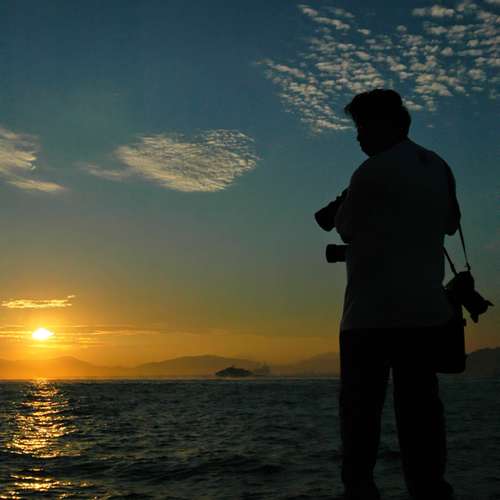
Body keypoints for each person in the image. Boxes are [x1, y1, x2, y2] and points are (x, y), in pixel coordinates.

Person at [332, 89, 460, 499]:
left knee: (360, 414)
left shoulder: (370, 172)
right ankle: (429, 490)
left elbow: (345, 229)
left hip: (370, 315)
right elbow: (450, 223)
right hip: (425, 311)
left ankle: (361, 492)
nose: (358, 136)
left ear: (385, 124)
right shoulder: (437, 165)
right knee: (421, 413)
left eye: (361, 126)